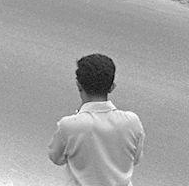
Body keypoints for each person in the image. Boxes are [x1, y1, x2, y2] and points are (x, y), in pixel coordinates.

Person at [48, 54, 145, 186]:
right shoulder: (132, 122)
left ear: (79, 85)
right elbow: (136, 159)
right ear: (112, 87)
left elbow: (56, 157)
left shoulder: (69, 126)